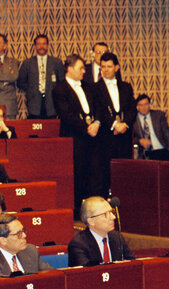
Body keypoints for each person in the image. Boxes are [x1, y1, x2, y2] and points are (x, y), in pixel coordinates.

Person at [52, 54, 106, 210]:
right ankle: (76, 212)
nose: (84, 71)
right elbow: (66, 115)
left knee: (95, 174)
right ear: (69, 69)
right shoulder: (59, 90)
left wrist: (97, 123)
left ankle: (95, 210)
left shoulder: (89, 87)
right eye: (80, 68)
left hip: (94, 138)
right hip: (75, 140)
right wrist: (86, 128)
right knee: (77, 175)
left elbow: (100, 108)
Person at [95, 52, 136, 160]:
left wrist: (124, 124)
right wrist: (115, 124)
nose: (106, 69)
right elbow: (99, 111)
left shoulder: (126, 87)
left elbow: (132, 110)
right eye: (103, 66)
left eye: (109, 66)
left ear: (116, 67)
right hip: (105, 136)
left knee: (124, 171)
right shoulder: (95, 88)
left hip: (125, 136)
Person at [17, 34, 65, 119]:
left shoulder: (56, 62)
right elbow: (20, 82)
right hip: (34, 104)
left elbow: (62, 82)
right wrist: (31, 89)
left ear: (48, 45)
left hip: (52, 103)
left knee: (50, 129)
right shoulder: (27, 63)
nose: (41, 46)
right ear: (34, 46)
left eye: (44, 44)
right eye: (38, 44)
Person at [132, 94, 169, 160]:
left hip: (161, 149)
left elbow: (167, 134)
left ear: (150, 105)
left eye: (146, 104)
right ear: (137, 107)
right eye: (141, 105)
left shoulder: (158, 115)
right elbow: (130, 138)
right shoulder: (133, 119)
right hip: (145, 152)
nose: (144, 107)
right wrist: (139, 141)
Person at [0, 34, 20, 120]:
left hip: (9, 105)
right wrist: (5, 81)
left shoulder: (13, 62)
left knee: (9, 132)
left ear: (5, 46)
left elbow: (14, 77)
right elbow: (8, 77)